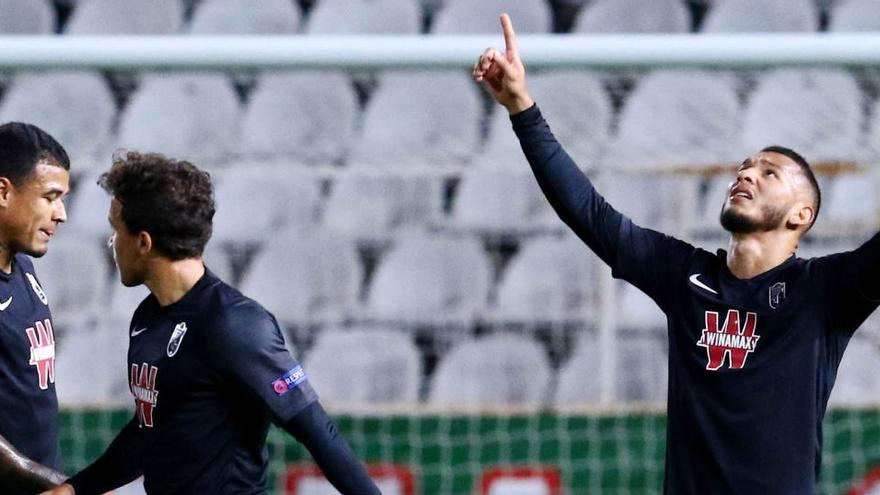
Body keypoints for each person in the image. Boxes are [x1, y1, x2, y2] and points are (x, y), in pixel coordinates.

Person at [474, 13, 878, 494]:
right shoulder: (684, 275)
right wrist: (522, 108)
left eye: (769, 173)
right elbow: (587, 211)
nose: (745, 174)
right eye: (745, 167)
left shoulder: (823, 292)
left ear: (801, 215)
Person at [40, 151, 380, 494]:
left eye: (116, 230)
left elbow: (317, 431)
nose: (111, 242)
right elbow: (150, 432)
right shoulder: (147, 317)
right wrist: (75, 489)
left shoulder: (235, 324)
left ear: (143, 242)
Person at [0, 122, 71, 493]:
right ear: (3, 191)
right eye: (50, 196)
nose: (61, 213)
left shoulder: (24, 268)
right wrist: (61, 484)